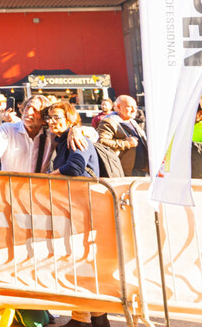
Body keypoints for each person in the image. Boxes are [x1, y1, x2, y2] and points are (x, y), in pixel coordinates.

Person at [45, 100, 107, 327]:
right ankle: (94, 317)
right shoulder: (63, 140)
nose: (52, 121)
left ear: (69, 119)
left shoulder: (76, 138)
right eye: (49, 117)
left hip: (83, 208)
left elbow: (75, 167)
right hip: (76, 208)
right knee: (80, 263)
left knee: (80, 262)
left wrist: (47, 177)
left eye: (57, 117)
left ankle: (86, 318)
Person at [96, 95, 148, 176]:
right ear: (118, 107)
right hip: (125, 172)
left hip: (142, 170)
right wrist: (127, 143)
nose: (134, 110)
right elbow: (102, 142)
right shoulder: (109, 122)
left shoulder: (133, 122)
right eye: (129, 107)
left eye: (135, 107)